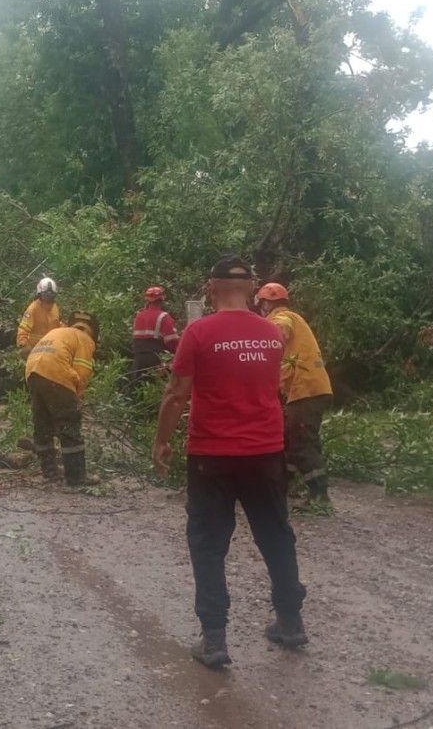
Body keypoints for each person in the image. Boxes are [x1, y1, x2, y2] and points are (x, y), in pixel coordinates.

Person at [152, 255, 308, 669]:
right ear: (250, 287)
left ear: (211, 288)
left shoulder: (199, 332)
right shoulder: (273, 334)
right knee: (276, 535)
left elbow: (176, 393)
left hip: (212, 454)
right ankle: (291, 622)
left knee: (208, 543)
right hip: (266, 451)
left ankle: (215, 638)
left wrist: (161, 441)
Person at [255, 282, 334, 509]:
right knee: (288, 442)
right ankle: (281, 488)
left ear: (267, 303)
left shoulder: (282, 318)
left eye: (261, 304)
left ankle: (320, 497)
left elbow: (280, 330)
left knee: (302, 443)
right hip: (308, 388)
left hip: (305, 389)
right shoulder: (295, 317)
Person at [24, 311, 100, 487]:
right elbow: (82, 373)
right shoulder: (84, 339)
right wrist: (77, 400)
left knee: (42, 423)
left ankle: (49, 471)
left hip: (33, 371)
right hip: (56, 373)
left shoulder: (59, 332)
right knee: (69, 423)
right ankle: (76, 477)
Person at [125, 286, 179, 394]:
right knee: (158, 390)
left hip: (138, 360)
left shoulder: (139, 315)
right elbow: (172, 341)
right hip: (156, 360)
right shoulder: (164, 317)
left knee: (137, 390)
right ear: (162, 300)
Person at [16, 277, 63, 357]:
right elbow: (23, 328)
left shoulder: (55, 308)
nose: (48, 297)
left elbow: (57, 324)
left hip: (50, 349)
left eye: (51, 294)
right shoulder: (33, 309)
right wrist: (23, 344)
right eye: (45, 294)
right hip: (34, 350)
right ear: (40, 294)